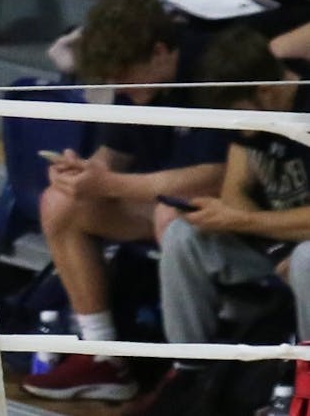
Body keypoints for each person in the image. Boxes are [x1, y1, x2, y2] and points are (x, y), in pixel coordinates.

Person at [20, 0, 229, 403]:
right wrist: (81, 174)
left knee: (171, 217)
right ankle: (103, 356)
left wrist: (111, 185)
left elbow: (213, 176)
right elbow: (111, 156)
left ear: (159, 51)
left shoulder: (213, 69)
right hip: (161, 208)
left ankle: (190, 372)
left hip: (230, 212)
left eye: (125, 78)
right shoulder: (133, 79)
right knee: (60, 203)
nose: (122, 88)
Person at [121, 27, 310, 414]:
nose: (237, 127)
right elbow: (235, 189)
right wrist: (270, 242)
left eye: (239, 114)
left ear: (267, 91)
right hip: (275, 244)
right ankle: (189, 372)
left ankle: (304, 383)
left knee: (308, 260)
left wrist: (247, 224)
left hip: (304, 248)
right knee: (182, 235)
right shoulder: (254, 114)